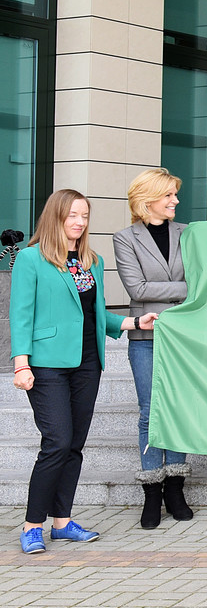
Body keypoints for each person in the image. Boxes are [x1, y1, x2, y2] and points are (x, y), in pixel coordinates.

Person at [11, 189, 156, 554]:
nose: (79, 222)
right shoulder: (31, 258)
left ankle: (62, 523)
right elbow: (21, 313)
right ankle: (32, 525)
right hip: (46, 364)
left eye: (85, 216)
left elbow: (95, 313)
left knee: (74, 446)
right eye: (72, 215)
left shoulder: (92, 260)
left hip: (88, 364)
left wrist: (133, 322)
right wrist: (21, 363)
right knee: (57, 442)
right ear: (55, 216)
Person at [111, 169, 192, 530]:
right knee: (149, 413)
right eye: (169, 195)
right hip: (146, 338)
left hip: (182, 336)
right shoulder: (124, 238)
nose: (176, 200)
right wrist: (183, 289)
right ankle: (151, 492)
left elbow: (200, 280)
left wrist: (177, 290)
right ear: (148, 200)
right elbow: (137, 289)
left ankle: (175, 488)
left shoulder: (187, 233)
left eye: (175, 194)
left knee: (178, 409)